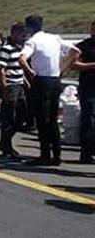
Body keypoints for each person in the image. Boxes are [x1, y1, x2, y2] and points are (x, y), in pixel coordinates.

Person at [19, 15, 81, 166]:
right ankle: (57, 155)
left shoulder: (32, 41)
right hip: (55, 80)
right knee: (52, 119)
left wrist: (30, 71)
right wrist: (62, 69)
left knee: (42, 119)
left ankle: (45, 154)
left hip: (41, 80)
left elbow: (21, 58)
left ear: (29, 28)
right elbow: (76, 51)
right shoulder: (54, 38)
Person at [0, 23, 29, 158]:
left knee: (22, 116)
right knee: (9, 117)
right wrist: (5, 88)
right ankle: (6, 147)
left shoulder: (20, 49)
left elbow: (20, 68)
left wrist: (26, 83)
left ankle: (4, 142)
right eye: (22, 35)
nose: (24, 37)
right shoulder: (6, 49)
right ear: (14, 33)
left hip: (20, 85)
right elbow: (1, 69)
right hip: (10, 86)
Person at [71, 19, 95, 164]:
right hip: (89, 87)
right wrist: (92, 65)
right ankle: (86, 152)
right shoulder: (83, 46)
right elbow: (73, 64)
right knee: (89, 120)